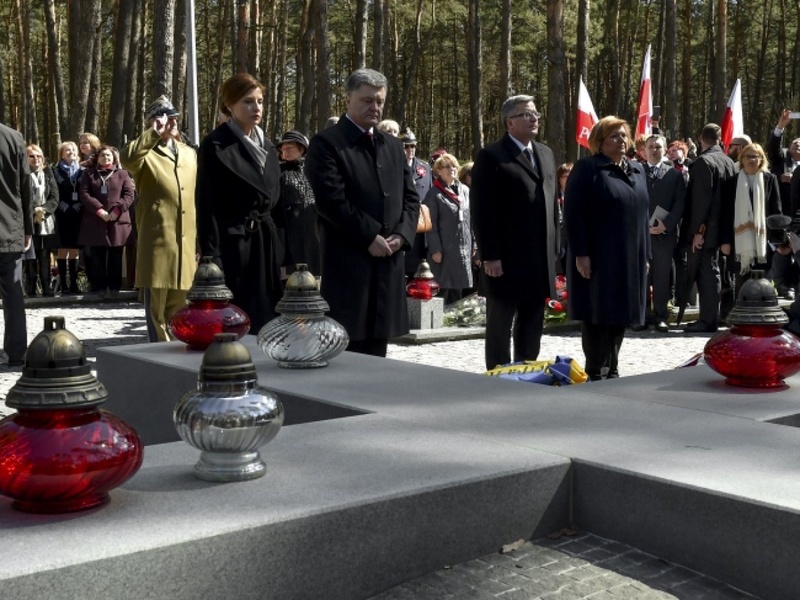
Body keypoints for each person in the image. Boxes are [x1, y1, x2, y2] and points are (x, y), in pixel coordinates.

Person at [305, 68, 419, 357]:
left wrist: (402, 235)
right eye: (367, 100)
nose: (375, 107)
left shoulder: (392, 146)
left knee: (378, 350)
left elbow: (411, 197)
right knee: (347, 349)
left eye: (379, 101)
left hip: (388, 262)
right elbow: (331, 200)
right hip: (350, 262)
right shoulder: (327, 143)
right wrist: (370, 235)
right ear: (347, 100)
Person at [471, 94, 558, 370]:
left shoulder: (545, 153)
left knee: (532, 320)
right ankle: (498, 375)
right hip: (505, 259)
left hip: (538, 257)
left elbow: (551, 205)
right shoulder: (492, 156)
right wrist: (490, 256)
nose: (534, 119)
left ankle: (527, 371)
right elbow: (483, 211)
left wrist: (555, 248)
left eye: (535, 114)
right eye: (526, 114)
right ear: (510, 122)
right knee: (501, 323)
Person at [196, 72, 285, 333]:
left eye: (259, 101)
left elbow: (276, 203)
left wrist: (282, 249)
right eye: (247, 101)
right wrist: (212, 256)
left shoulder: (268, 146)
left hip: (265, 246)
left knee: (267, 315)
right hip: (234, 243)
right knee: (237, 317)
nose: (256, 108)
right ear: (230, 105)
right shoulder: (215, 145)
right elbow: (207, 204)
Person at [563, 116, 650, 380]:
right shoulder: (588, 168)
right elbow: (574, 214)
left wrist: (645, 254)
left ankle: (612, 367)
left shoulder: (637, 170)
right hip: (599, 254)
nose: (621, 140)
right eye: (614, 136)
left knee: (622, 312)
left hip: (630, 255)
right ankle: (596, 370)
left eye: (624, 135)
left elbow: (642, 214)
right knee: (599, 311)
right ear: (599, 142)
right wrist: (581, 253)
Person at [121, 95, 197, 342]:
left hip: (185, 242)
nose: (172, 122)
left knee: (181, 306)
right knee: (157, 309)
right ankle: (159, 352)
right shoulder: (145, 154)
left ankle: (178, 348)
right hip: (157, 240)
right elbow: (128, 158)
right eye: (166, 117)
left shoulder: (189, 153)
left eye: (174, 117)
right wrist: (154, 133)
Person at [680, 123, 737, 333]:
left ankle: (707, 320)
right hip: (724, 228)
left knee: (707, 273)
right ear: (720, 138)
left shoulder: (703, 162)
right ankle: (718, 316)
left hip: (707, 229)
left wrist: (696, 231)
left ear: (700, 139)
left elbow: (700, 202)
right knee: (719, 273)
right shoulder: (729, 161)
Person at [719, 143, 781, 308]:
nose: (752, 159)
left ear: (761, 159)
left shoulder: (770, 179)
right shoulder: (732, 183)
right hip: (738, 242)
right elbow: (725, 214)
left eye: (756, 156)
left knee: (763, 281)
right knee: (741, 279)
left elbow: (776, 210)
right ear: (742, 159)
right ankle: (741, 315)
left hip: (763, 241)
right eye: (748, 156)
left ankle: (762, 315)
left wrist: (776, 241)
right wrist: (724, 240)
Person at [640, 134, 686, 333]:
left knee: (661, 276)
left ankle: (660, 316)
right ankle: (640, 316)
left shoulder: (675, 175)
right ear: (644, 150)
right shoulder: (636, 171)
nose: (654, 150)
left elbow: (680, 203)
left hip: (664, 235)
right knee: (641, 275)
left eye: (658, 146)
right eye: (650, 146)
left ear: (665, 149)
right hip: (640, 235)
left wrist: (666, 225)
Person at [77, 145, 135, 297]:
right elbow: (84, 194)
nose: (106, 158)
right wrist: (99, 210)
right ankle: (99, 288)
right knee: (98, 256)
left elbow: (129, 195)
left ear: (114, 158)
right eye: (103, 156)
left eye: (109, 156)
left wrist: (117, 210)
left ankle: (114, 288)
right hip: (96, 220)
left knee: (115, 255)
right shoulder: (89, 174)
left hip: (117, 221)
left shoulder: (122, 174)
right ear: (97, 158)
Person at [0, 122, 32, 366]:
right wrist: (28, 228)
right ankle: (17, 352)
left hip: (10, 227)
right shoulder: (13, 137)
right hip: (9, 227)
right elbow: (25, 185)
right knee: (13, 294)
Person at [424, 153, 474, 305]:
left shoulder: (465, 190)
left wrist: (475, 244)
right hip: (444, 250)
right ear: (438, 170)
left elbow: (472, 219)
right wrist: (435, 249)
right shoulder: (434, 193)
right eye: (447, 166)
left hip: (463, 249)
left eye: (454, 166)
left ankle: (454, 320)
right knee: (443, 289)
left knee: (459, 290)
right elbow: (430, 225)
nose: (452, 169)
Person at [276, 129, 320, 274]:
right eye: (282, 149)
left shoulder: (313, 170)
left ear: (301, 149)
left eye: (289, 148)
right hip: (287, 230)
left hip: (313, 229)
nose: (285, 152)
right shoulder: (278, 172)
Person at [767, 109, 800, 299]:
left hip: (799, 214)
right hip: (784, 215)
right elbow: (773, 147)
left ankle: (794, 284)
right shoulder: (781, 161)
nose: (798, 145)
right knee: (783, 248)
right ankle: (781, 284)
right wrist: (781, 126)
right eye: (795, 143)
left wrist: (795, 179)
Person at [24, 144, 59, 297]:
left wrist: (43, 210)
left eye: (38, 156)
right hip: (28, 219)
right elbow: (20, 197)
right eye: (31, 156)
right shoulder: (22, 174)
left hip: (46, 221)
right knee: (30, 255)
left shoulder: (48, 173)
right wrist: (33, 210)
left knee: (44, 255)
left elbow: (54, 197)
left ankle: (46, 286)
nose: (36, 159)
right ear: (26, 158)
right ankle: (30, 287)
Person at [52, 141, 84, 294]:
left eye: (72, 149)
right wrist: (64, 207)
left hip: (78, 214)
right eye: (67, 150)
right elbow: (53, 192)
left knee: (74, 249)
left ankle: (74, 284)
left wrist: (77, 206)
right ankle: (63, 284)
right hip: (61, 214)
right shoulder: (54, 171)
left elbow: (85, 191)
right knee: (63, 248)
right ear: (62, 153)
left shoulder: (82, 171)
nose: (70, 152)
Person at [399, 127, 431, 276]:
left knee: (417, 268)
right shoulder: (393, 166)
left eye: (413, 146)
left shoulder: (424, 168)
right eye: (406, 146)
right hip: (400, 222)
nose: (410, 149)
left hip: (420, 225)